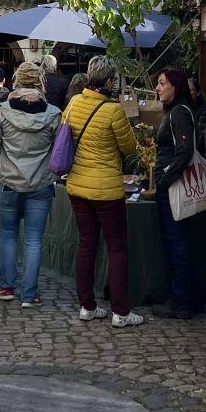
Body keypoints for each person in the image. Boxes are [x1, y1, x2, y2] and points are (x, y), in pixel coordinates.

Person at [65, 56, 143, 327]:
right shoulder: (113, 111)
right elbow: (129, 147)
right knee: (117, 248)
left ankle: (87, 305)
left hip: (77, 186)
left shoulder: (74, 103)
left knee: (86, 244)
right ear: (110, 81)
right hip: (107, 188)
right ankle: (120, 311)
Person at [0, 62, 60, 307]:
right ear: (40, 82)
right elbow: (58, 152)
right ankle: (29, 294)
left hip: (8, 182)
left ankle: (6, 286)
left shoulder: (2, 111)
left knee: (7, 235)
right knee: (34, 239)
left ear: (16, 80)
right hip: (40, 183)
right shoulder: (53, 114)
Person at [151, 68, 202, 320]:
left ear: (175, 86)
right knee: (178, 242)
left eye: (162, 83)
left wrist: (164, 180)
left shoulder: (179, 113)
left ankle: (180, 301)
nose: (158, 88)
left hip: (173, 189)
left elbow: (185, 151)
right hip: (171, 185)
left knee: (178, 243)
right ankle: (182, 297)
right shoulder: (176, 111)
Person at [187, 76, 206, 155]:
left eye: (191, 90)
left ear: (198, 92)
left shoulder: (204, 109)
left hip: (198, 154)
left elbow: (201, 136)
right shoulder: (185, 107)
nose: (188, 93)